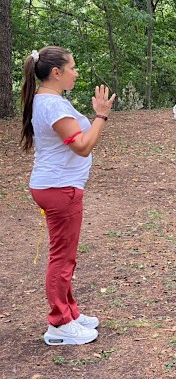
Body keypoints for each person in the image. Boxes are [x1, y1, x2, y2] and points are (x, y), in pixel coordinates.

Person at [20, 46, 116, 345]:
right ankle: (59, 324)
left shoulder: (49, 100)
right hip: (59, 189)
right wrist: (101, 116)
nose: (76, 72)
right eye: (72, 67)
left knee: (66, 256)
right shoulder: (53, 106)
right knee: (62, 258)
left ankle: (70, 313)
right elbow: (83, 146)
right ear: (56, 72)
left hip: (58, 186)